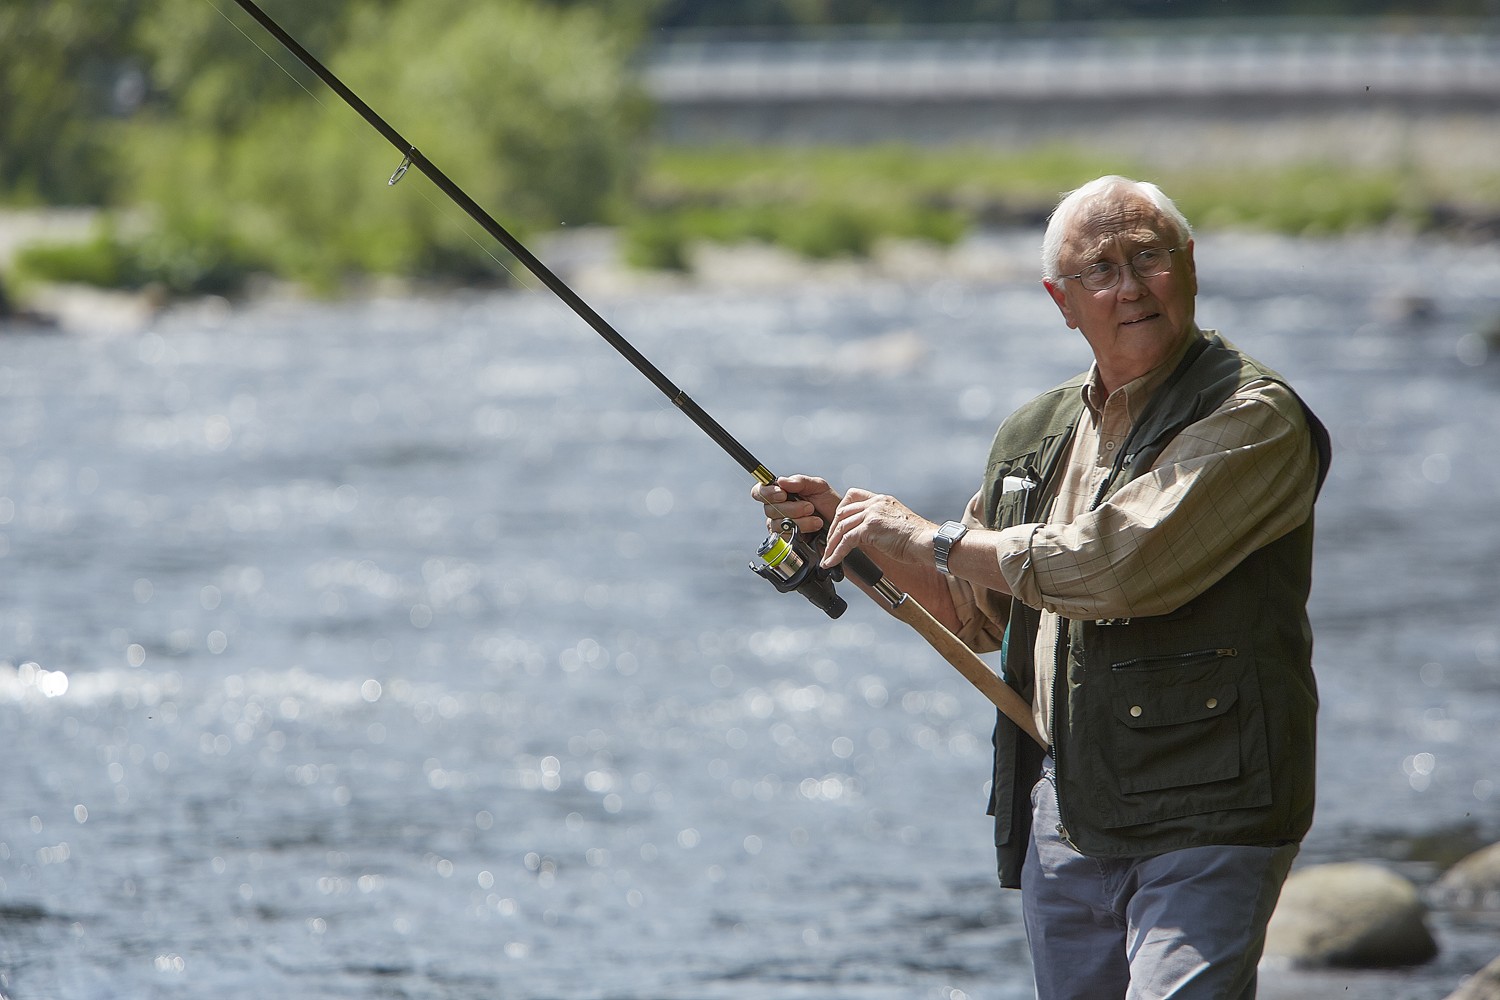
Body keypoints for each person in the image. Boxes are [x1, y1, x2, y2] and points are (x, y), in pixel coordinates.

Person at [753, 175, 1331, 1000]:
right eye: (1099, 270)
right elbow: (971, 607)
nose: (1129, 286)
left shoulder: (1254, 415)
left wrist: (925, 535)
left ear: (1191, 266)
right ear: (1062, 301)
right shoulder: (1036, 433)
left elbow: (1118, 564)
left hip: (1212, 810)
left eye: (1149, 257)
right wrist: (847, 533)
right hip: (1068, 813)